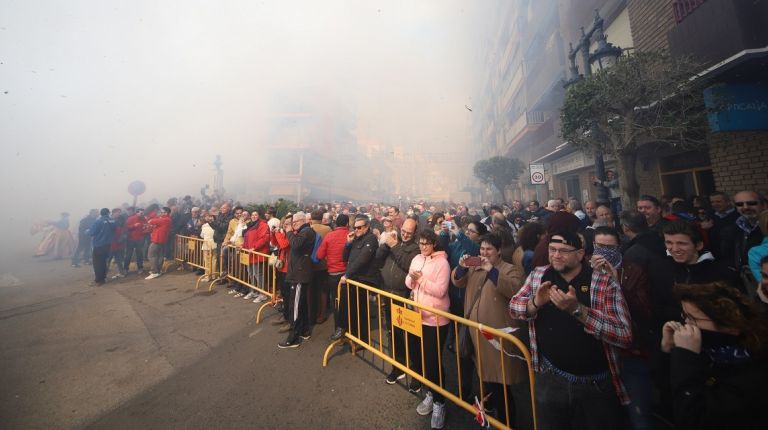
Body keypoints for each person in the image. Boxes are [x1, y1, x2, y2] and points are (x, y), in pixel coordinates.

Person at [508, 231, 632, 429]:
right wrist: (535, 303)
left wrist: (578, 311)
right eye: (552, 249)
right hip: (550, 377)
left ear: (580, 253)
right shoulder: (539, 275)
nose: (556, 255)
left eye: (564, 251)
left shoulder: (602, 282)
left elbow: (623, 334)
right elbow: (514, 307)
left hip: (594, 385)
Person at [660, 282, 768, 429]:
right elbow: (673, 396)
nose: (685, 324)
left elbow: (692, 420)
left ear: (729, 326)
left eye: (692, 319)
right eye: (684, 316)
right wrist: (670, 348)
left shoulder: (751, 372)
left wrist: (685, 356)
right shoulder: (709, 353)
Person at [452, 233, 531, 429]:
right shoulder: (475, 266)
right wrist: (462, 266)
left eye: (488, 250)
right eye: (481, 249)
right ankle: (490, 417)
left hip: (498, 339)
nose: (484, 253)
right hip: (477, 335)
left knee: (501, 386)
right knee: (486, 382)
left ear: (498, 252)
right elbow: (457, 281)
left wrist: (492, 271)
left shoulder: (510, 269)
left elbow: (514, 289)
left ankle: (506, 422)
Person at [405, 229, 451, 430]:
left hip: (435, 319)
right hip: (416, 317)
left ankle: (440, 402)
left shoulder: (442, 263)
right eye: (421, 243)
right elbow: (408, 283)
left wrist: (421, 279)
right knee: (420, 358)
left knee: (433, 361)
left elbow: (441, 291)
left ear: (434, 243)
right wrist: (413, 278)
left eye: (426, 243)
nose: (423, 247)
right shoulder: (416, 258)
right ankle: (430, 394)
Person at [377, 218, 420, 382]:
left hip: (404, 295)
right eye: (404, 231)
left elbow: (407, 264)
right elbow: (378, 258)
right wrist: (386, 243)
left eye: (409, 232)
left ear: (414, 232)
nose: (406, 234)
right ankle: (398, 366)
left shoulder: (415, 249)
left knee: (409, 335)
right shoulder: (396, 240)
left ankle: (417, 372)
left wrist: (394, 246)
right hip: (388, 293)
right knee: (392, 332)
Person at [340, 215, 380, 345]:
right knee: (353, 309)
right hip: (353, 277)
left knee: (361, 310)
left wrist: (347, 275)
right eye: (355, 227)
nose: (356, 230)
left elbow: (363, 259)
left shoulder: (371, 239)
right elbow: (345, 258)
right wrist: (348, 243)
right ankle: (352, 334)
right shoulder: (356, 239)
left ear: (367, 227)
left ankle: (362, 340)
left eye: (359, 227)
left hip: (363, 279)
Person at [278, 212, 316, 348]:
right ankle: (304, 330)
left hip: (300, 274)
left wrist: (288, 232)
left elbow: (295, 244)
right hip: (299, 272)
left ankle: (293, 337)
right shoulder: (305, 231)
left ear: (300, 221)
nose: (292, 225)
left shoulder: (306, 232)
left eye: (294, 222)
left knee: (295, 306)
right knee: (301, 303)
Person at [720, 191, 766, 297]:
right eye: (740, 204)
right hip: (745, 285)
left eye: (751, 203)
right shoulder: (731, 229)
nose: (745, 207)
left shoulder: (766, 227)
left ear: (763, 205)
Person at [316, 214, 350, 341]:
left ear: (336, 223)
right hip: (349, 275)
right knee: (350, 303)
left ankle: (339, 330)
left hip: (334, 275)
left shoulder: (330, 236)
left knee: (337, 303)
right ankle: (351, 333)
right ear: (347, 224)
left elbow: (319, 255)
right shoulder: (351, 235)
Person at [242, 211, 270, 303]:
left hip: (258, 253)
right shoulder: (250, 225)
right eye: (252, 215)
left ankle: (262, 294)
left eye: (256, 215)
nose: (254, 216)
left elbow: (264, 238)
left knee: (258, 274)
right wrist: (242, 247)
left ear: (259, 216)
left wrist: (254, 247)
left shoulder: (262, 224)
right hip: (250, 253)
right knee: (250, 273)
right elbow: (246, 239)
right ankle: (253, 291)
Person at [89, 208, 115, 286]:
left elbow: (92, 233)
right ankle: (103, 277)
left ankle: (98, 280)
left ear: (101, 213)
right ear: (108, 213)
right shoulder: (112, 221)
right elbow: (114, 229)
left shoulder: (98, 221)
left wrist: (86, 231)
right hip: (108, 244)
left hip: (99, 244)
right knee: (103, 261)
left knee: (97, 263)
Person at [145, 207, 172, 280]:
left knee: (151, 255)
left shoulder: (166, 219)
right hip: (160, 240)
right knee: (159, 256)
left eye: (162, 212)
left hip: (157, 240)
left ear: (166, 213)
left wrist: (152, 217)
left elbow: (151, 221)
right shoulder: (165, 219)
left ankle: (154, 271)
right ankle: (158, 270)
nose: (160, 213)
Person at [123, 208, 147, 274]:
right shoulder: (131, 218)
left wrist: (145, 229)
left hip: (140, 239)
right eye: (141, 213)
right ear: (137, 213)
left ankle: (140, 268)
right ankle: (125, 269)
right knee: (128, 254)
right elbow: (125, 227)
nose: (142, 214)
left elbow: (145, 227)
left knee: (139, 254)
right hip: (131, 239)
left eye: (143, 213)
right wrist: (133, 226)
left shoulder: (144, 219)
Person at [199, 213, 216, 281]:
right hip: (214, 244)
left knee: (206, 261)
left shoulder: (204, 226)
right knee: (214, 260)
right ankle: (213, 275)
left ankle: (207, 276)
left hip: (206, 244)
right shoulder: (216, 225)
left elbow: (202, 235)